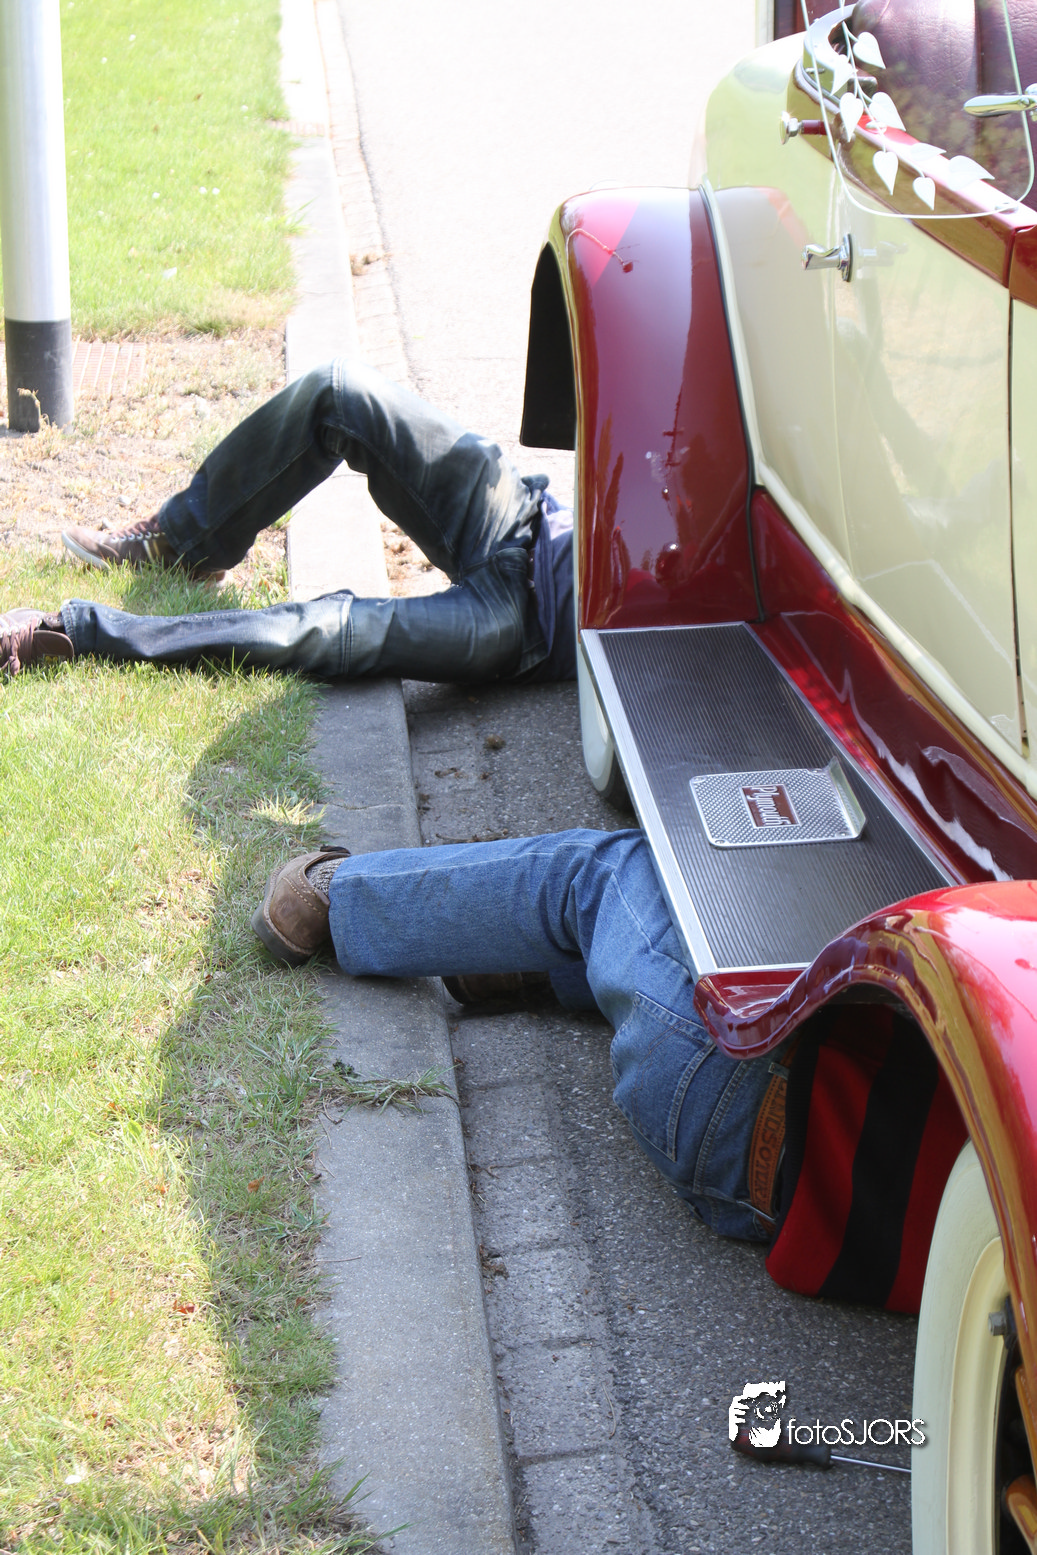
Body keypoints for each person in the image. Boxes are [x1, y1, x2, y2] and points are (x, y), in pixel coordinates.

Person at [253, 826, 785, 1242]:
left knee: (608, 869)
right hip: (759, 1200)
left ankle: (332, 897)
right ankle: (533, 966)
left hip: (731, 1094)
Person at [0, 359, 577, 683]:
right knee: (339, 394)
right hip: (525, 518)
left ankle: (74, 631)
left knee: (315, 631)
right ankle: (182, 542)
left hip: (523, 624)